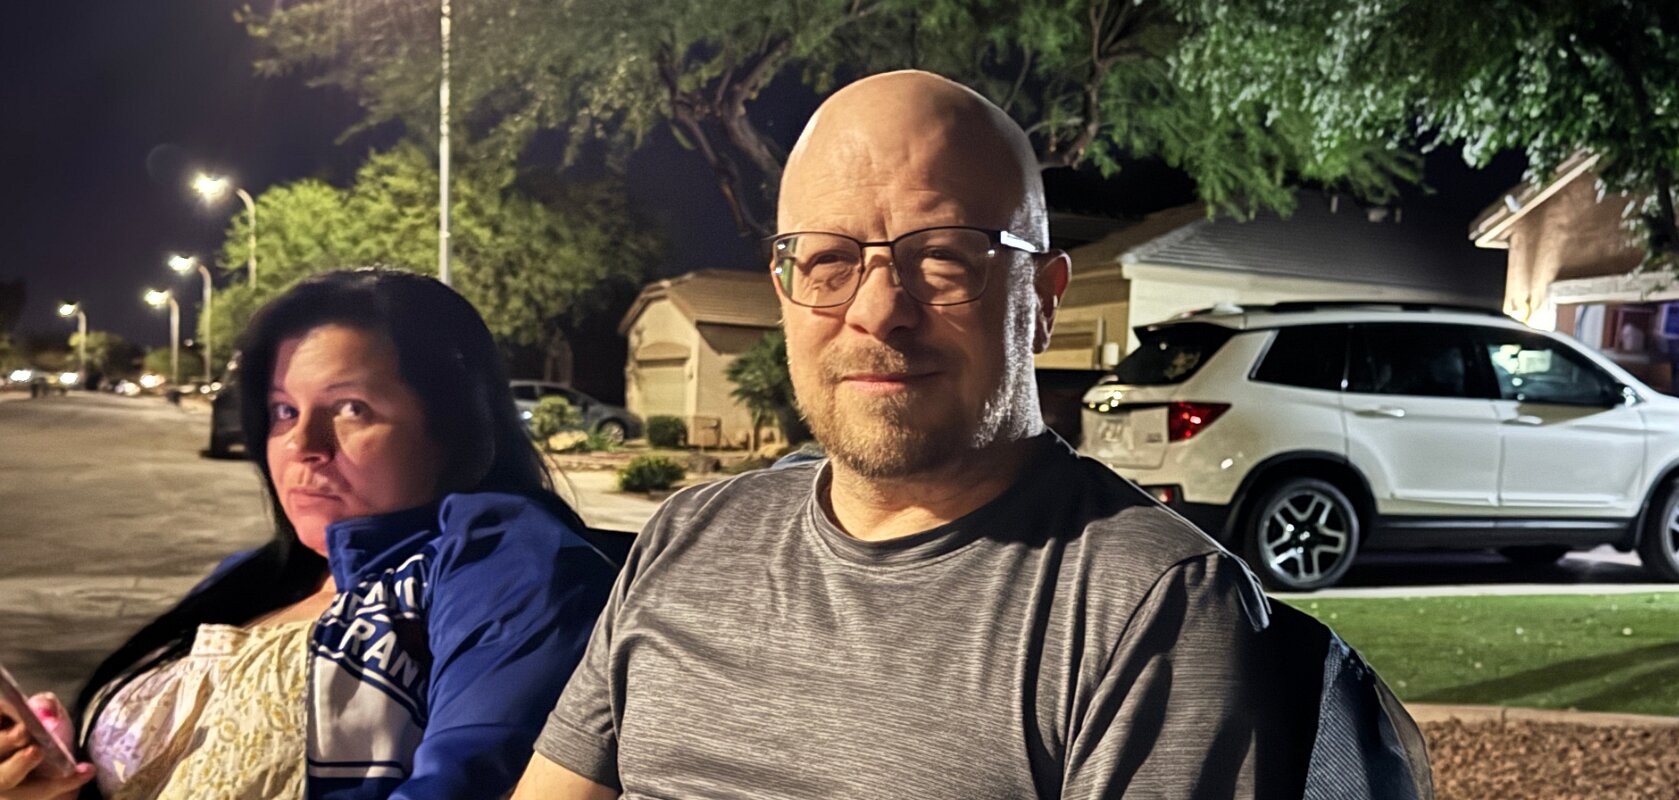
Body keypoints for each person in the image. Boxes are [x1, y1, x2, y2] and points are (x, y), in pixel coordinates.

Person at [517, 70, 1339, 799]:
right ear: (784, 289)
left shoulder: (1153, 607)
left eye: (944, 257)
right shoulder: (687, 537)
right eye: (828, 261)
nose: (878, 310)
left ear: (1042, 299)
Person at [0, 269, 618, 800]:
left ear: (455, 426)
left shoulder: (504, 561)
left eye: (351, 408)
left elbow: (472, 776)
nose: (301, 445)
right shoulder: (248, 579)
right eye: (283, 411)